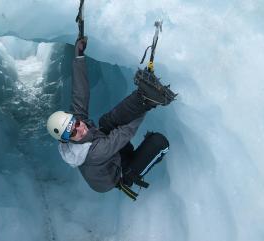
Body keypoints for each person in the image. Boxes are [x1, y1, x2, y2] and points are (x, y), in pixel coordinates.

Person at [46, 37, 174, 199]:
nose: (80, 128)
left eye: (75, 122)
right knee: (159, 142)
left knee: (106, 122)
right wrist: (147, 105)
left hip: (108, 153)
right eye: (72, 133)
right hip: (115, 173)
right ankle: (130, 176)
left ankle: (142, 95)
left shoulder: (74, 126)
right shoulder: (94, 153)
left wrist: (79, 56)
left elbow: (80, 93)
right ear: (66, 139)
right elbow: (125, 132)